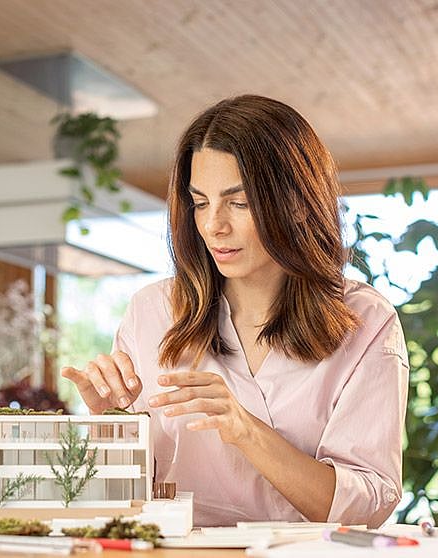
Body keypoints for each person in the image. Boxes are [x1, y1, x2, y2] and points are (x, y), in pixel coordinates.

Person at [61, 95, 409, 528]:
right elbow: (123, 502)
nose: (213, 226)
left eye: (239, 202)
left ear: (299, 202)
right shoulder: (151, 311)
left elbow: (368, 505)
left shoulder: (366, 321)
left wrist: (246, 430)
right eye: (201, 202)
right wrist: (110, 426)